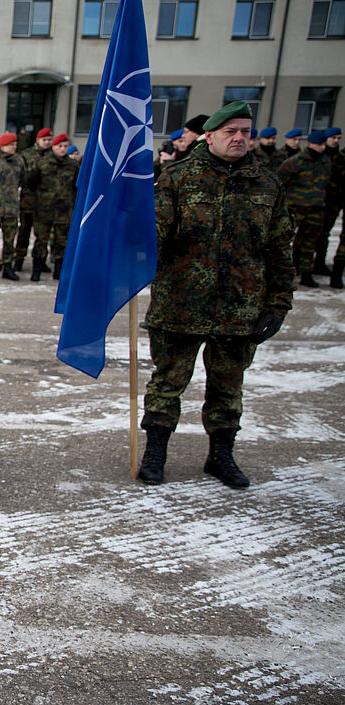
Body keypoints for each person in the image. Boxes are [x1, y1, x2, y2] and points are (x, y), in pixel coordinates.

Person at [138, 101, 294, 489]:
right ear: (209, 136)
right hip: (180, 305)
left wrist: (278, 303)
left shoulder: (267, 184)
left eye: (245, 132)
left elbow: (280, 249)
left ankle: (221, 455)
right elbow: (152, 237)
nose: (239, 138)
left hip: (240, 308)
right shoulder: (177, 178)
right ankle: (155, 452)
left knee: (228, 388)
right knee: (166, 383)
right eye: (230, 132)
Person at [278, 129, 332, 288]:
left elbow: (325, 184)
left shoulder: (326, 162)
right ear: (309, 144)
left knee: (309, 242)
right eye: (319, 144)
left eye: (323, 144)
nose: (322, 147)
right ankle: (282, 271)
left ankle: (306, 273)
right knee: (284, 240)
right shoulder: (294, 162)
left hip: (316, 208)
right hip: (295, 208)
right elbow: (280, 183)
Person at [31, 132, 80, 281]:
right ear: (54, 147)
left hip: (64, 210)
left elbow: (75, 187)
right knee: (41, 240)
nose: (63, 149)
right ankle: (37, 270)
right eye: (60, 146)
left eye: (65, 146)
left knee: (62, 241)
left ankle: (58, 271)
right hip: (44, 208)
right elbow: (31, 183)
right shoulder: (42, 162)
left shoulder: (72, 165)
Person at [14, 128, 52, 273]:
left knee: (42, 235)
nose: (47, 142)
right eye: (44, 140)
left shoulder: (52, 156)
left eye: (49, 140)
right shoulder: (26, 154)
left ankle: (40, 260)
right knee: (24, 231)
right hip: (28, 201)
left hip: (45, 203)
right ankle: (19, 260)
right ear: (37, 140)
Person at [0, 132, 23, 280]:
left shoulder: (19, 161)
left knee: (10, 240)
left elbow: (22, 179)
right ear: (2, 145)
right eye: (11, 144)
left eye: (15, 144)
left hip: (11, 208)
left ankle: (8, 266)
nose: (14, 147)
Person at [316, 127, 343, 283]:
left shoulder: (341, 158)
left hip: (334, 202)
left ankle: (320, 262)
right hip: (317, 202)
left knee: (325, 233)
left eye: (338, 138)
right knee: (311, 234)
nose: (336, 141)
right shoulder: (319, 157)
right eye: (333, 137)